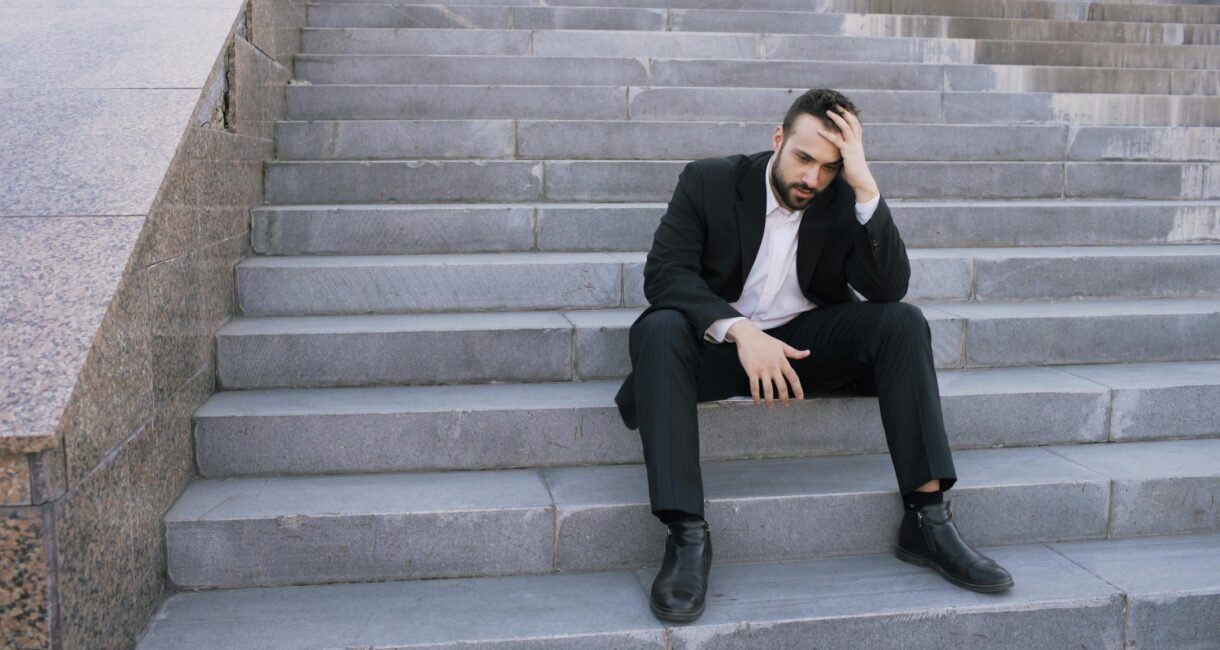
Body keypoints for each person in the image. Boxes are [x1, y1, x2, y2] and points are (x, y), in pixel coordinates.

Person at [614, 88, 1014, 623]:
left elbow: (888, 288)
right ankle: (687, 537)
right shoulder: (709, 180)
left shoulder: (840, 195)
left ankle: (927, 520)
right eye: (804, 158)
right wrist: (740, 331)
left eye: (829, 167)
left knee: (904, 322)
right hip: (715, 349)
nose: (812, 179)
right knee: (660, 328)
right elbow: (664, 275)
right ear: (778, 139)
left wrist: (864, 185)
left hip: (802, 347)